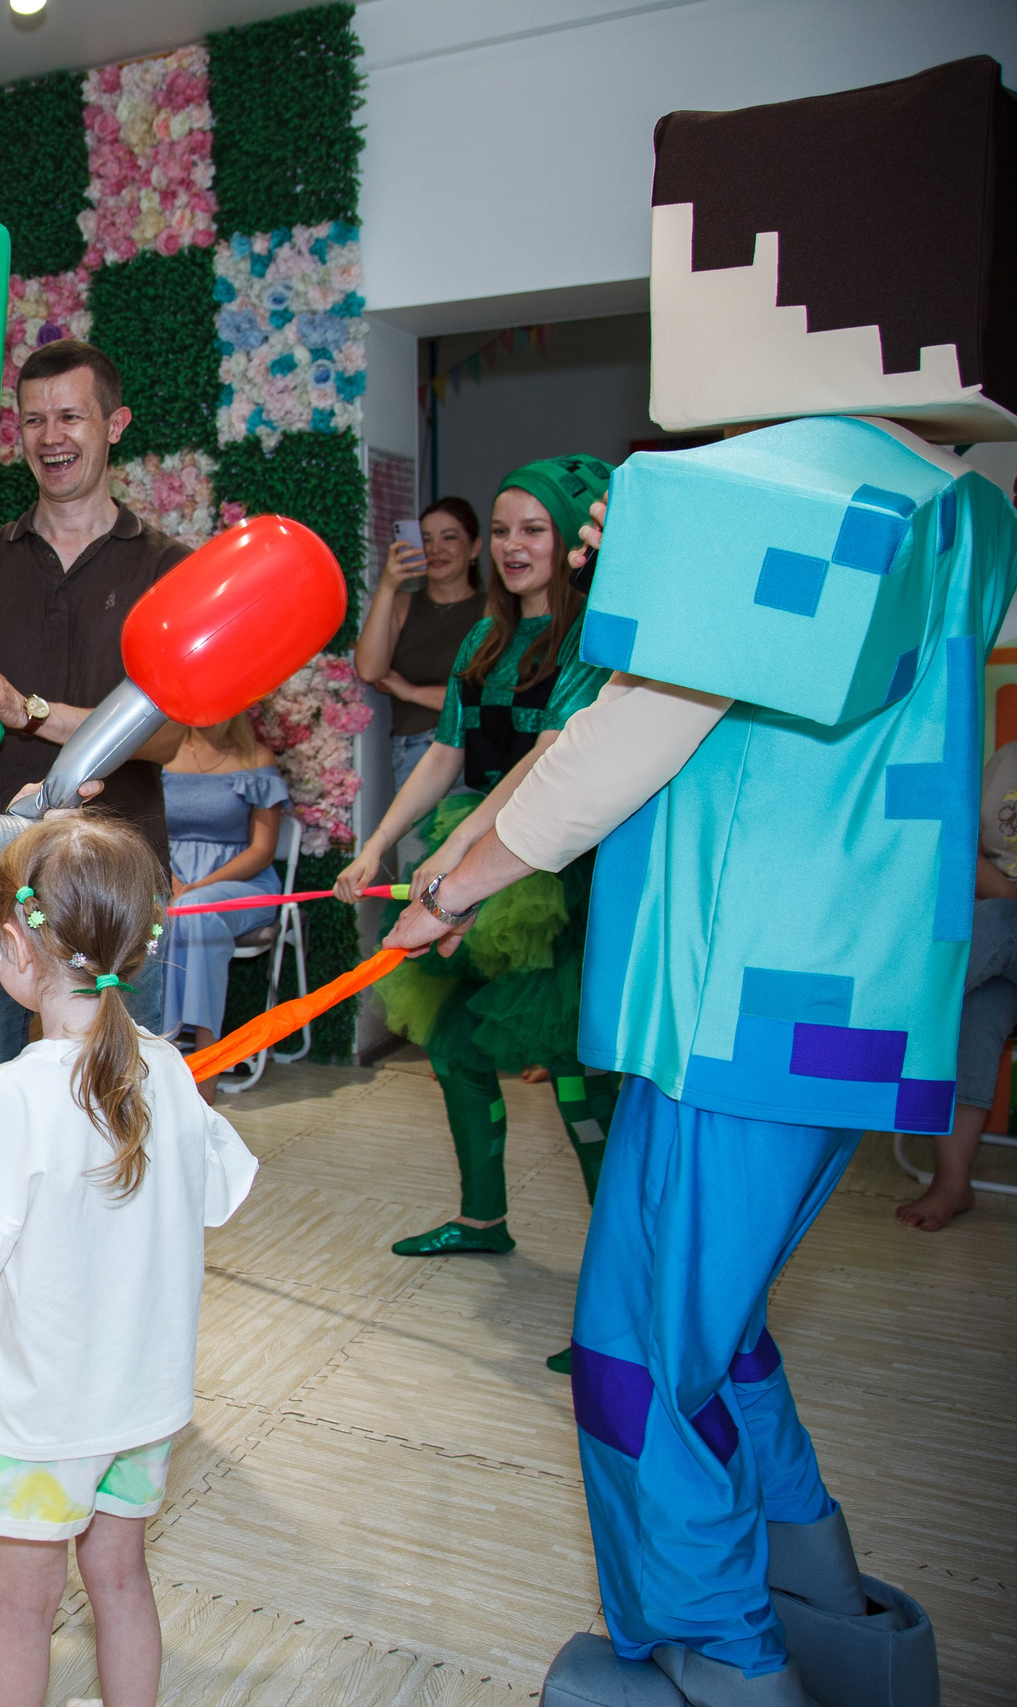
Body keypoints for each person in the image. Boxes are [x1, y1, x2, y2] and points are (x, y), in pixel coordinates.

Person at [395, 62, 1008, 1705]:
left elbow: (626, 740)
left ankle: (718, 1663)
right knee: (718, 1329)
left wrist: (452, 885)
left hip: (737, 1005)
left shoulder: (763, 489)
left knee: (637, 1355)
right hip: (859, 1007)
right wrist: (458, 857)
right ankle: (833, 1625)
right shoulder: (954, 506)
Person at [0, 814, 257, 1707]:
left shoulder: (4, 1095)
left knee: (23, 1606)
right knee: (121, 1578)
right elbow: (215, 1194)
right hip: (142, 1404)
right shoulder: (171, 1072)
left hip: (38, 1416)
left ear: (10, 945)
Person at [336, 458, 619, 1265]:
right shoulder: (485, 637)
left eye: (533, 529)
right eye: (501, 530)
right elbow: (444, 757)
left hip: (552, 869)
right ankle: (483, 1220)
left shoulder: (590, 641)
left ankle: (618, 1286)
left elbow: (544, 760)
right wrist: (380, 840)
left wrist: (460, 850)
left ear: (570, 540)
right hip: (479, 849)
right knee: (455, 1047)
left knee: (575, 1078)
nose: (512, 545)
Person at [0, 339, 191, 1128]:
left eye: (71, 415)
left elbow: (167, 736)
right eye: (33, 418)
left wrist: (32, 711)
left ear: (116, 424)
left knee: (111, 1129)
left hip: (117, 887)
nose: (51, 437)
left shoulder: (165, 567)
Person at [896, 737, 1017, 1231]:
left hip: (998, 929)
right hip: (1000, 946)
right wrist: (1007, 892)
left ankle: (893, 1017)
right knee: (971, 1016)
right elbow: (959, 843)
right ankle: (952, 1182)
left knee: (995, 923)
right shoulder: (1007, 759)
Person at [155, 711, 289, 1089]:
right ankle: (159, 1051)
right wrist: (173, 880)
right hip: (170, 879)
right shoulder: (162, 752)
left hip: (242, 884)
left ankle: (205, 1062)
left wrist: (199, 887)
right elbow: (144, 830)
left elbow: (262, 851)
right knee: (154, 910)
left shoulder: (256, 759)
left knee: (194, 912)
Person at [356, 497, 488, 788]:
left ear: (475, 547)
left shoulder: (493, 610)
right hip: (414, 750)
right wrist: (389, 584)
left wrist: (412, 692)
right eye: (425, 539)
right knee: (415, 836)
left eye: (449, 537)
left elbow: (488, 697)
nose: (435, 549)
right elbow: (369, 669)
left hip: (478, 747)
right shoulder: (403, 603)